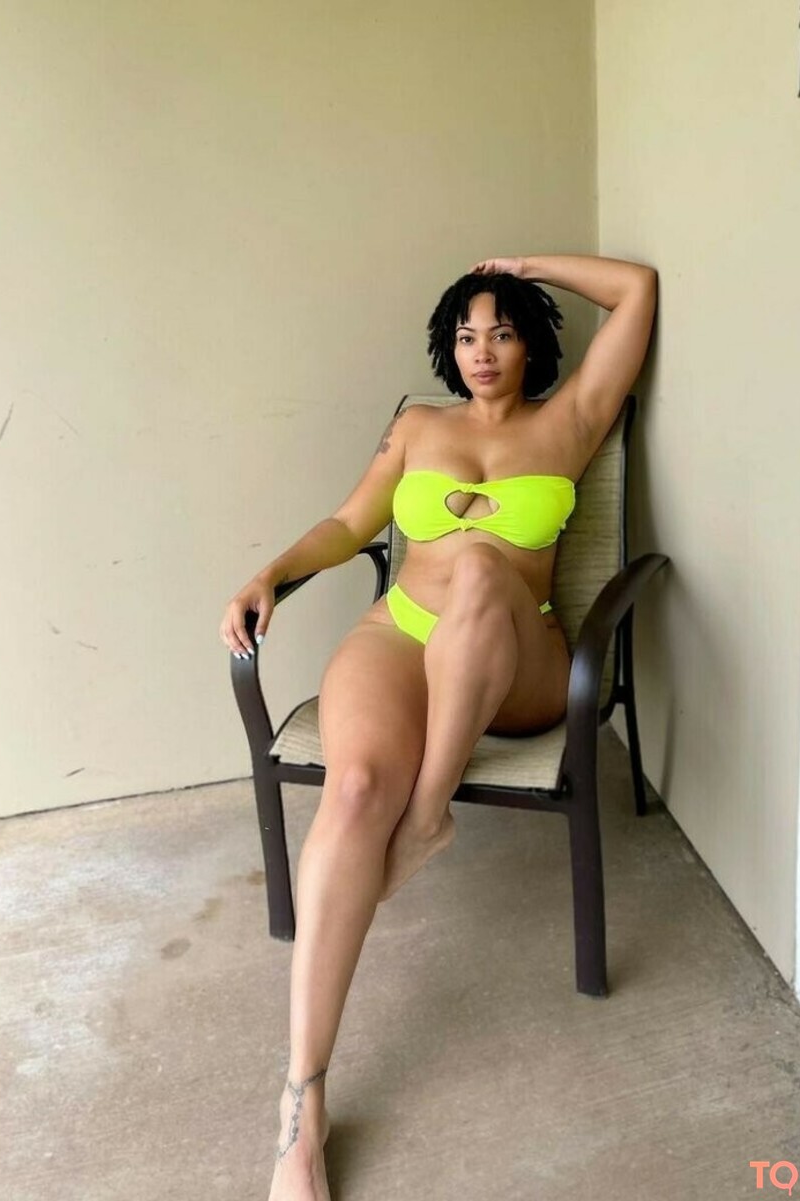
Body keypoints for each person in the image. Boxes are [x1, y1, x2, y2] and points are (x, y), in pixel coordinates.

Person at [219, 253, 657, 1201]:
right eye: (466, 334)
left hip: (518, 657)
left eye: (502, 331)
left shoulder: (573, 418)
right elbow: (349, 525)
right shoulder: (417, 427)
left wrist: (520, 265)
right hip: (403, 632)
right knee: (351, 790)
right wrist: (271, 574)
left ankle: (427, 816)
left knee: (485, 569)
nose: (482, 351)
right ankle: (301, 1103)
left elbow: (637, 290)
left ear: (532, 344)